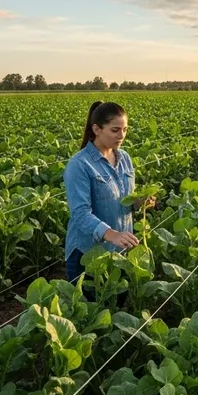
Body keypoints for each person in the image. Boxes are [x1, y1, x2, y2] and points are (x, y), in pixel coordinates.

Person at [63, 100, 147, 285]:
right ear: (96, 129)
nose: (121, 136)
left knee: (115, 309)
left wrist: (140, 202)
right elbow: (80, 214)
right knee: (91, 311)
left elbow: (125, 200)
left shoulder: (124, 158)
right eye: (115, 130)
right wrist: (112, 234)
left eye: (125, 129)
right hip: (88, 254)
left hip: (120, 252)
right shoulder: (80, 165)